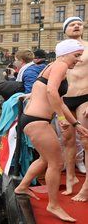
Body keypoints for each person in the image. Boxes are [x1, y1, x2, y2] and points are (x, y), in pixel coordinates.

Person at [14, 39, 88, 222]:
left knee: (45, 159)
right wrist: (61, 119)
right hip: (37, 121)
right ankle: (53, 205)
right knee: (56, 162)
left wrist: (76, 125)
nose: (78, 60)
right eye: (76, 56)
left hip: (33, 119)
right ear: (64, 54)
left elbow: (60, 101)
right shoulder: (60, 66)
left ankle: (21, 187)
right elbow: (51, 93)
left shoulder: (54, 67)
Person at [61, 17, 88, 200]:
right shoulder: (61, 49)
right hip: (65, 100)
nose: (77, 25)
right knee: (68, 140)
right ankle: (71, 179)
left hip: (85, 98)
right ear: (65, 30)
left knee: (86, 141)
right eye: (72, 24)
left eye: (79, 23)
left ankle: (86, 187)